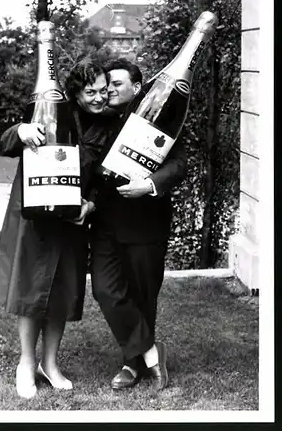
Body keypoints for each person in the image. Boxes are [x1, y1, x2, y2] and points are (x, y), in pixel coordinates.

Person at [0, 60, 117, 398]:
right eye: (90, 92)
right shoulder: (53, 113)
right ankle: (26, 364)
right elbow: (4, 143)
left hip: (73, 222)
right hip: (38, 222)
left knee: (61, 293)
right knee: (33, 292)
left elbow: (107, 177)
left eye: (104, 91)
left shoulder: (110, 126)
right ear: (75, 93)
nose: (99, 98)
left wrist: (91, 204)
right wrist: (21, 131)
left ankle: (51, 363)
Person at [89, 58, 188, 390]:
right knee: (106, 290)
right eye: (107, 85)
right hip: (104, 222)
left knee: (144, 296)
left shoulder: (162, 116)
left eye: (117, 84)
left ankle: (131, 364)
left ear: (137, 87)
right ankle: (151, 354)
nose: (110, 90)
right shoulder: (97, 120)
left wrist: (150, 184)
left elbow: (180, 166)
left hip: (147, 223)